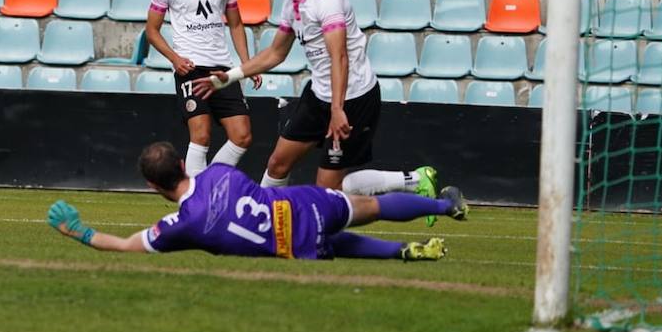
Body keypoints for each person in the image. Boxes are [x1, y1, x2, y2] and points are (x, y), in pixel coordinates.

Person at [191, 0, 438, 222]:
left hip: (353, 97)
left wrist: (337, 109)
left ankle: (414, 180)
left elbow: (340, 58)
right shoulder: (290, 3)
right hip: (319, 94)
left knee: (330, 193)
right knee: (277, 164)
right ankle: (262, 225)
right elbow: (276, 53)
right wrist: (229, 76)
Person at [45, 141, 462, 260]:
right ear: (182, 166)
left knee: (332, 245)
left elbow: (124, 245)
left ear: (154, 188)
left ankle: (402, 254)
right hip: (301, 205)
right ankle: (446, 206)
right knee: (370, 207)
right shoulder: (218, 173)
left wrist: (78, 232)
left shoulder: (182, 226)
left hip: (288, 244)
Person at [145, 0, 260, 178]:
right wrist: (175, 59)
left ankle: (206, 185)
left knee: (242, 136)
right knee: (201, 134)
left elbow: (235, 24)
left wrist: (246, 65)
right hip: (191, 68)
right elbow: (152, 30)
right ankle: (198, 198)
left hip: (222, 69)